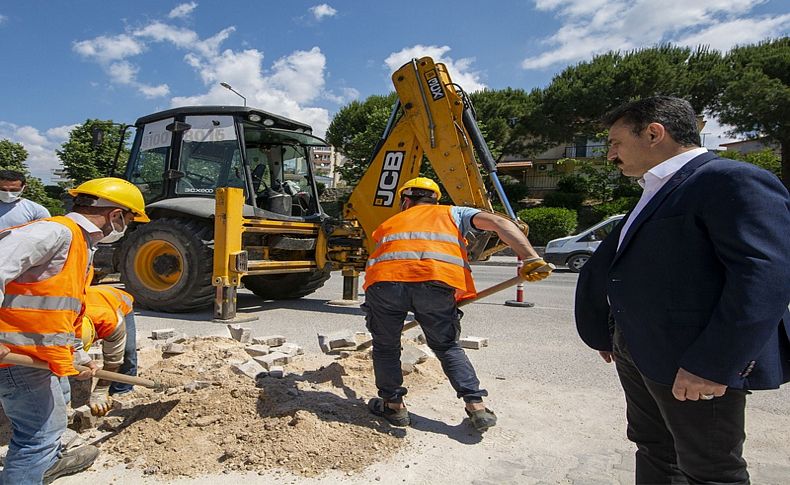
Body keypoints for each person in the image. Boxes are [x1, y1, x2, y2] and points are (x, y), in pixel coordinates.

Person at [574, 96, 790, 483]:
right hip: (640, 350)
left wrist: (713, 363)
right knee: (654, 447)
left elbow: (764, 277)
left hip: (691, 362)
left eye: (616, 143)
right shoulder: (656, 190)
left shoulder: (729, 180)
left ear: (654, 133)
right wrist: (607, 332)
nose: (610, 155)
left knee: (710, 469)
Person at [362, 177, 552, 431]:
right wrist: (531, 258)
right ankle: (476, 406)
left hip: (384, 286)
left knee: (386, 348)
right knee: (447, 347)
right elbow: (499, 222)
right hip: (436, 285)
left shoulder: (390, 222)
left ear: (406, 200)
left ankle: (394, 407)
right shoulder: (454, 212)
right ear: (435, 199)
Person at [0, 177, 148, 484]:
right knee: (38, 435)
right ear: (116, 215)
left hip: (33, 355)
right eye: (129, 219)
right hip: (14, 357)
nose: (126, 227)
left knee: (50, 425)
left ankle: (48, 463)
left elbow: (65, 314)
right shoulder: (53, 232)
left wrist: (76, 358)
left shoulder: (81, 246)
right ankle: (32, 470)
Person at [80, 284, 138, 417]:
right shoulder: (68, 318)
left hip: (119, 303)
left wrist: (101, 389)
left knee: (127, 351)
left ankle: (122, 390)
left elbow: (113, 361)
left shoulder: (112, 322)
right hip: (93, 301)